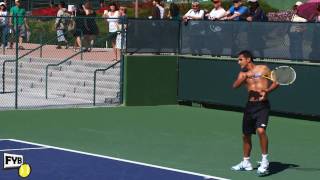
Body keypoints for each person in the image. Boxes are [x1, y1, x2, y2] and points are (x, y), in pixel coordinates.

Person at [231, 50, 279, 175]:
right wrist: (243, 78)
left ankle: (264, 161)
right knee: (245, 135)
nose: (238, 62)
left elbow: (276, 82)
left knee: (261, 131)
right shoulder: (242, 74)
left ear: (248, 59)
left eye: (240, 59)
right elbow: (234, 86)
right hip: (250, 106)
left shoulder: (263, 69)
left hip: (262, 106)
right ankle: (246, 162)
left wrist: (267, 91)